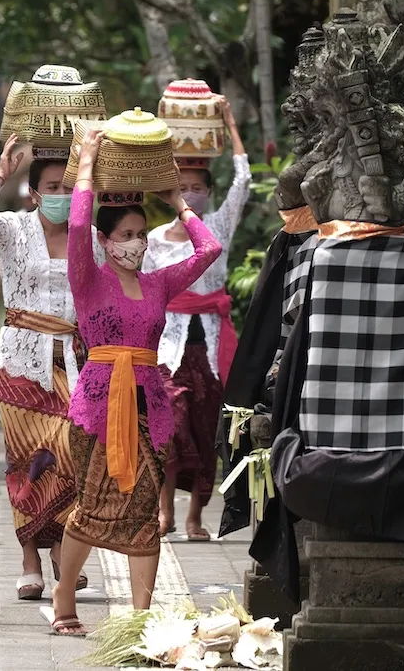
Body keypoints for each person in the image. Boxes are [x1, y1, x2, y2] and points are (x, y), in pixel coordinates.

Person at [46, 129, 222, 635]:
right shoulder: (89, 277)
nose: (137, 243)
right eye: (125, 235)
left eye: (141, 234)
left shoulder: (158, 282)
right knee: (96, 504)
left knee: (145, 510)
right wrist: (88, 168)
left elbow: (209, 250)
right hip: (99, 408)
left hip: (149, 408)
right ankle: (65, 596)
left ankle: (141, 621)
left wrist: (179, 206)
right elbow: (77, 224)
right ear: (105, 241)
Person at [0, 134, 103, 601]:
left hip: (73, 363)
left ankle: (62, 543)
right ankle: (29, 557)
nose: (61, 196)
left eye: (69, 187)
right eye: (52, 188)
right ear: (36, 191)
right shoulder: (14, 229)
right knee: (25, 463)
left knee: (67, 454)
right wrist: (2, 172)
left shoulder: (89, 237)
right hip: (21, 361)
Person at [141, 97, 251, 541]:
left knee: (206, 432)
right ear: (172, 193)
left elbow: (243, 180)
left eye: (198, 186)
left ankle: (194, 518)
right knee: (168, 429)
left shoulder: (219, 227)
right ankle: (165, 511)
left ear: (207, 190)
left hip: (208, 348)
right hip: (167, 348)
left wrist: (227, 120)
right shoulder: (151, 239)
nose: (192, 193)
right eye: (182, 187)